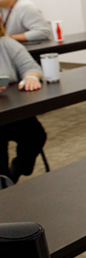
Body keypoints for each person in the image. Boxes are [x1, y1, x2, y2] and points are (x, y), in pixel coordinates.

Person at [0, 22, 46, 186]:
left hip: (11, 111)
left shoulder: (7, 43)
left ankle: (17, 171)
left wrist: (31, 77)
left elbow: (31, 67)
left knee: (36, 135)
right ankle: (3, 184)